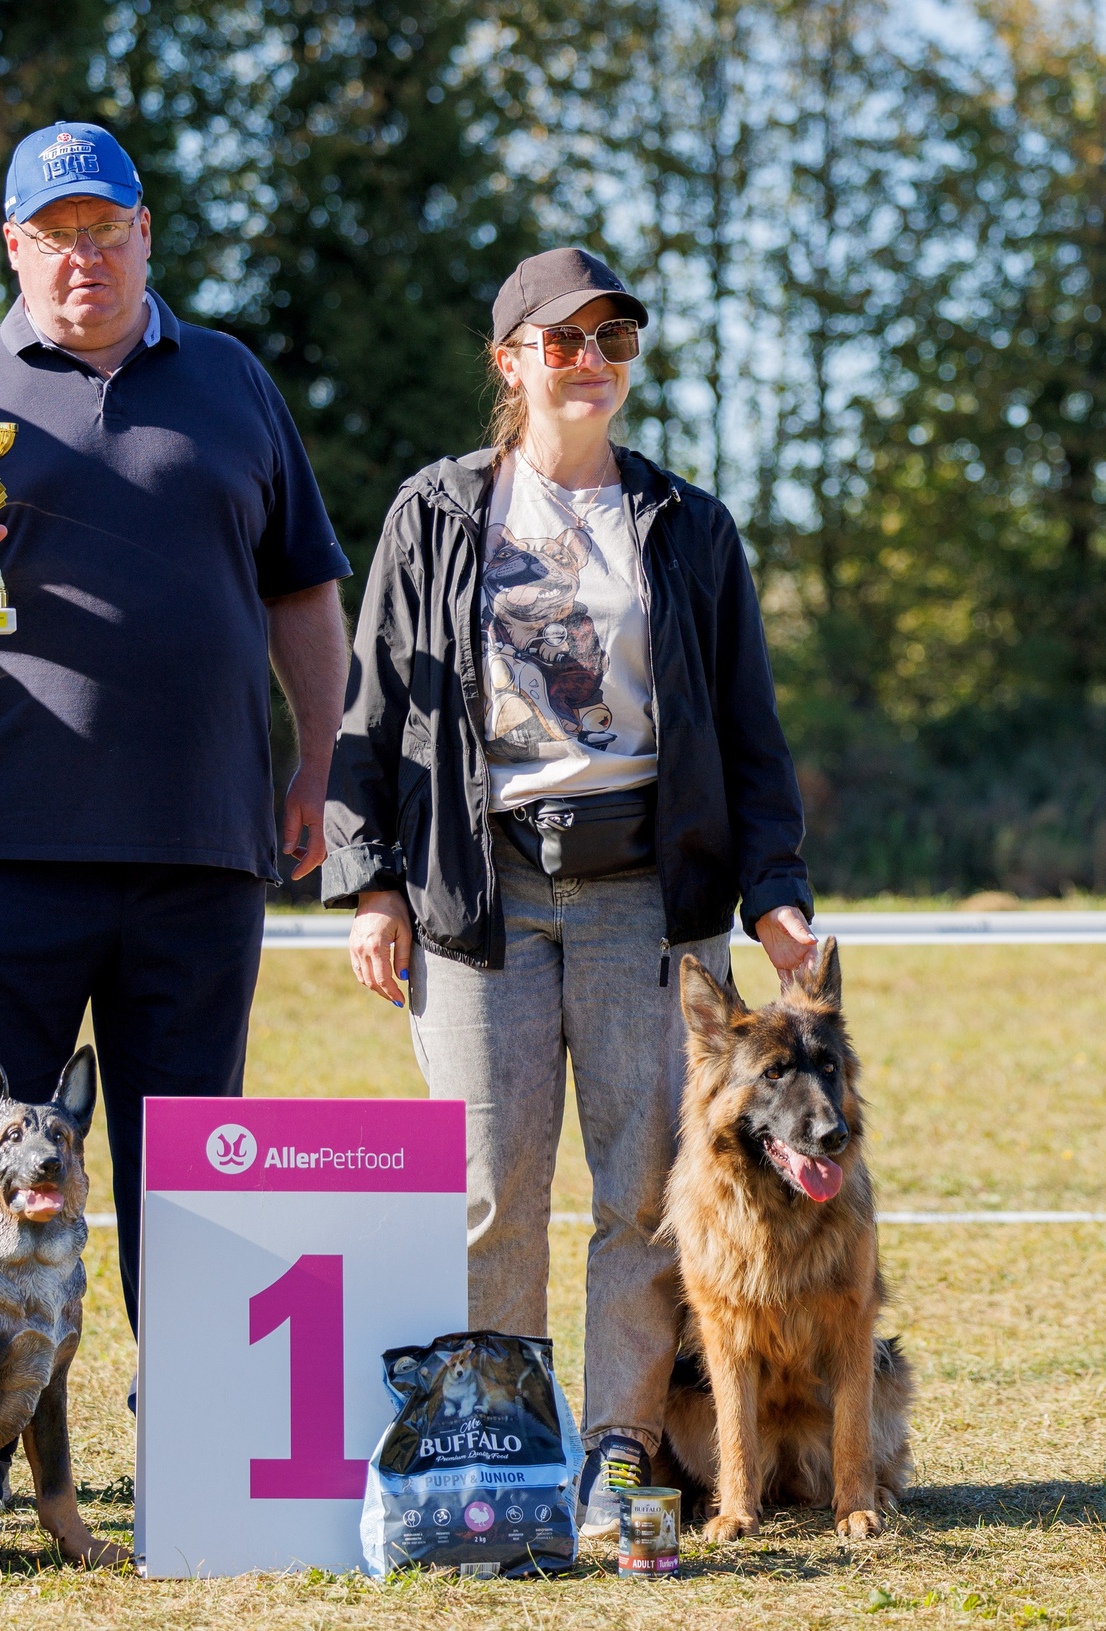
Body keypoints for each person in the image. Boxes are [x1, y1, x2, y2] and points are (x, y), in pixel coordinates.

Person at [321, 247, 821, 1538]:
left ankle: (621, 1456)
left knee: (644, 1193)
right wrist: (369, 879)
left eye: (613, 338)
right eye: (562, 340)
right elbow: (370, 710)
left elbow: (751, 733)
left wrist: (774, 892)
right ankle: (506, 1451)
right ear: (511, 361)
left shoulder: (688, 524)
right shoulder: (434, 512)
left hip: (648, 902)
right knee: (493, 1189)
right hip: (475, 895)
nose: (590, 359)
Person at [0, 122, 350, 1337]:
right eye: (57, 236)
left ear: (145, 233)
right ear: (14, 247)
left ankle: (193, 1448)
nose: (85, 258)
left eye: (106, 230)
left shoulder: (232, 382)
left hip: (200, 850)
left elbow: (303, 588)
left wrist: (320, 756)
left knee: (191, 1180)